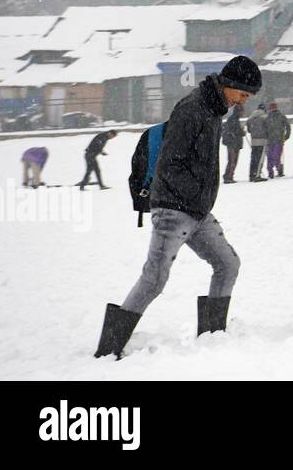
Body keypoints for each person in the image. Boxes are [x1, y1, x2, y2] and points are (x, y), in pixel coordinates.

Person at [96, 55, 261, 358]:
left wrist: (200, 201)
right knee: (154, 279)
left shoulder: (213, 110)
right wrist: (196, 194)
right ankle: (110, 348)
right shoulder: (193, 108)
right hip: (173, 209)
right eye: (243, 94)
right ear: (231, 85)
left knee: (228, 264)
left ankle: (213, 335)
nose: (243, 102)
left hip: (196, 210)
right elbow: (169, 164)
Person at [265, 101, 290, 178]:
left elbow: (288, 127)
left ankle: (276, 170)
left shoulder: (279, 116)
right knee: (273, 156)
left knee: (273, 156)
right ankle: (273, 171)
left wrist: (286, 136)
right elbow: (288, 127)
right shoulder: (269, 117)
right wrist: (286, 136)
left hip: (277, 140)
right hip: (272, 140)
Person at [246, 103, 269, 182]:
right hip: (262, 140)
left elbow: (249, 130)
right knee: (260, 159)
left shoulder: (251, 118)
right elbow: (268, 128)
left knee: (253, 158)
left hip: (253, 140)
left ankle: (251, 175)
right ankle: (257, 175)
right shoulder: (265, 117)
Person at [221, 107, 244, 184]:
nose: (243, 113)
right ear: (238, 111)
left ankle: (229, 176)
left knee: (233, 161)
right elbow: (234, 131)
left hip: (234, 143)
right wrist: (241, 132)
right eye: (242, 111)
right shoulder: (233, 119)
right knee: (232, 161)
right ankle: (228, 176)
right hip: (232, 144)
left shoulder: (234, 119)